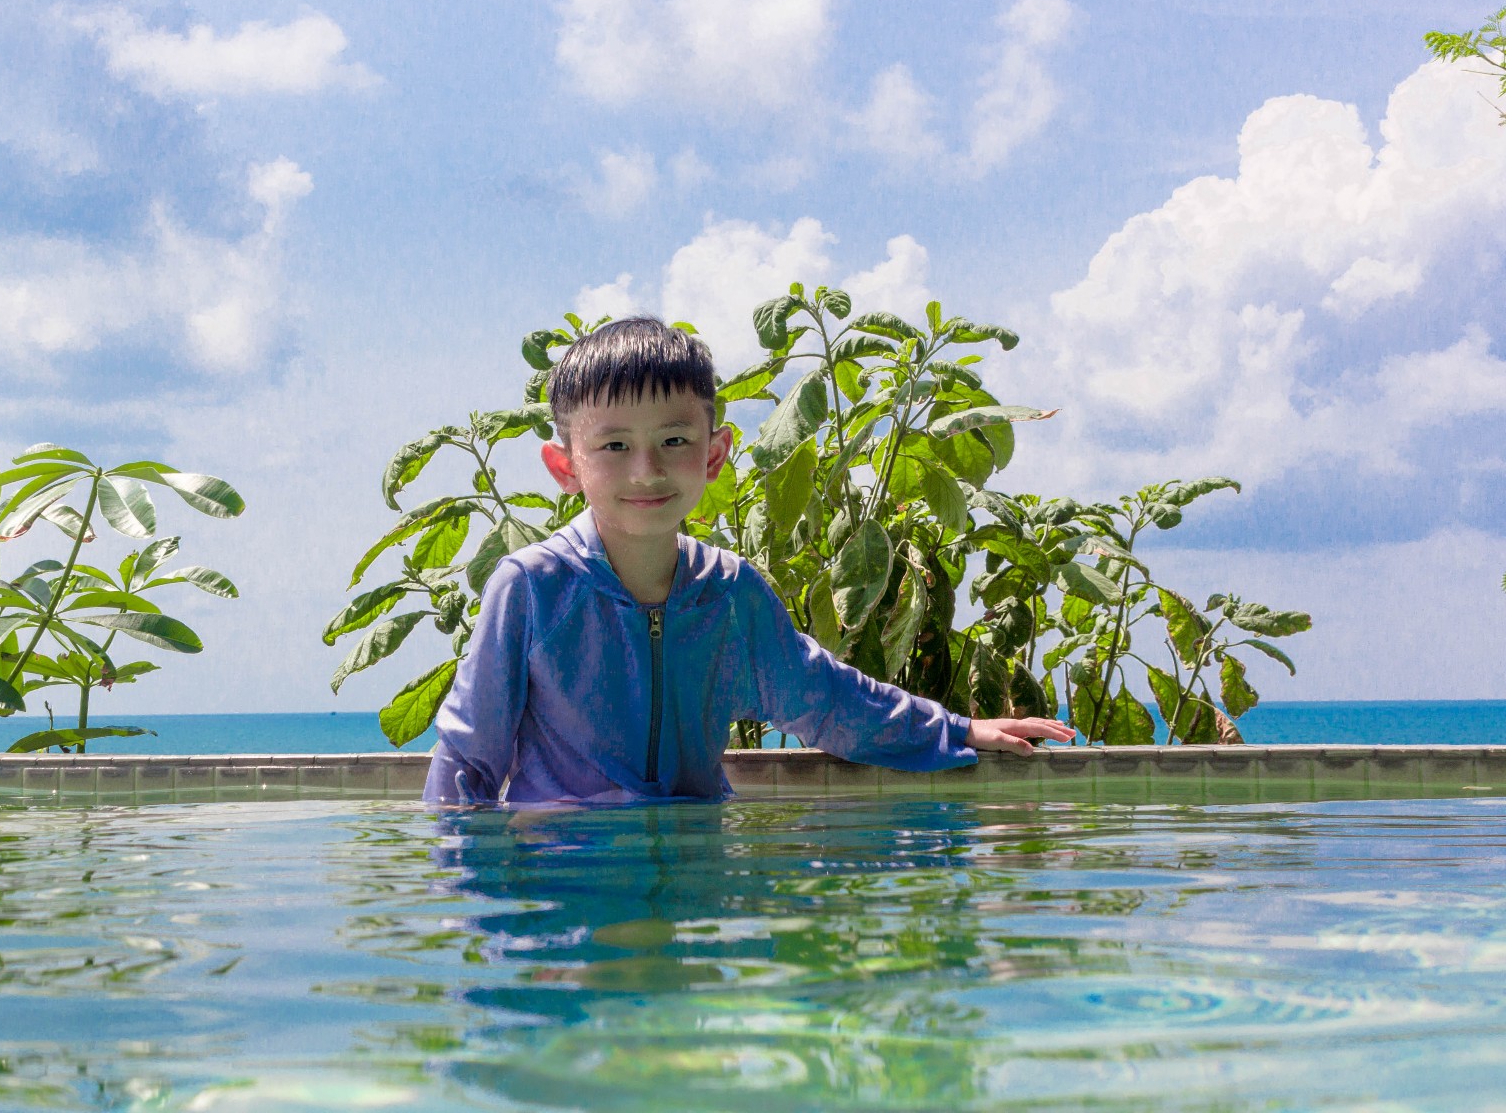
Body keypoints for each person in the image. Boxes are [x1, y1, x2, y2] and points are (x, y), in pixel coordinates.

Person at [422, 317, 1073, 805]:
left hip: (696, 874)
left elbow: (827, 700)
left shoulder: (730, 593)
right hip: (567, 878)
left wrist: (959, 730)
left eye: (673, 440)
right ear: (567, 467)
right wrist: (474, 918)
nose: (646, 471)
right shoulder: (533, 588)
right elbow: (466, 762)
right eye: (614, 444)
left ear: (712, 455)